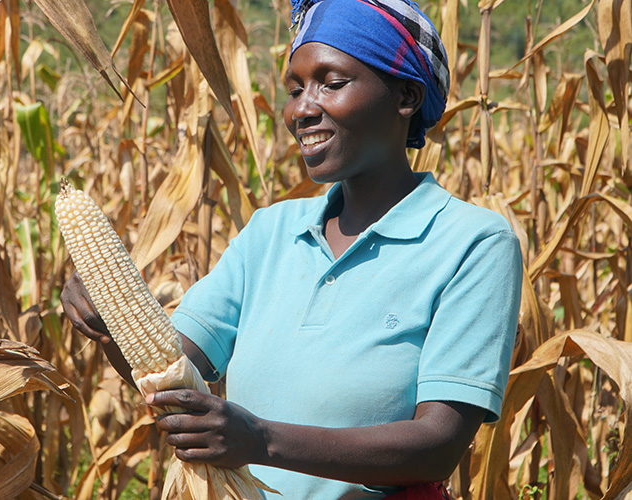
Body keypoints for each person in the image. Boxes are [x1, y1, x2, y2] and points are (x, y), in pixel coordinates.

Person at [61, 0, 523, 497]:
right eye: (295, 88)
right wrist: (113, 325)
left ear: (406, 96)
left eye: (332, 82)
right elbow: (176, 378)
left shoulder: (472, 242)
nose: (301, 108)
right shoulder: (270, 232)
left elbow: (439, 443)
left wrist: (260, 440)